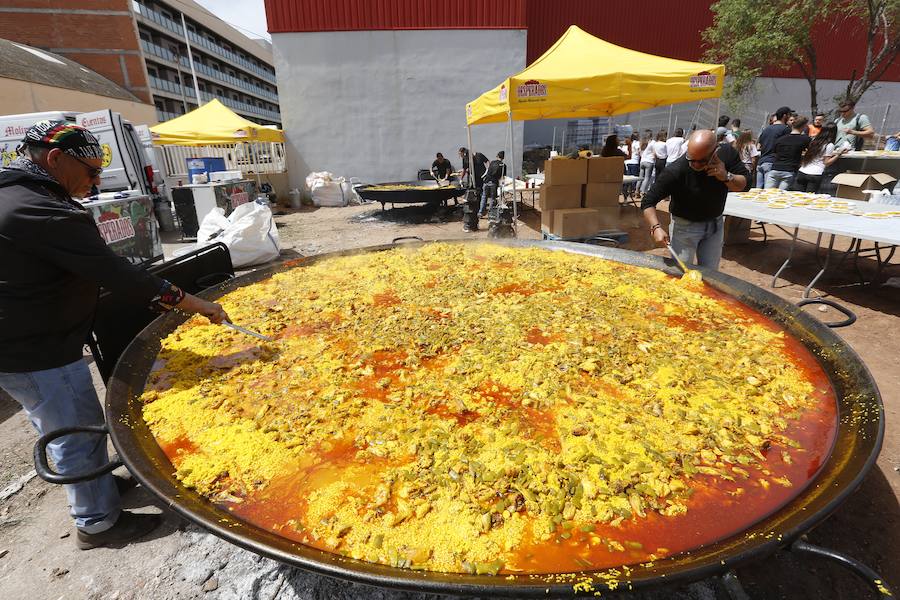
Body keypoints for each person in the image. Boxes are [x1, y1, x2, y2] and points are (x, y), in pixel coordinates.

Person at [0, 121, 229, 550]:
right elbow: (118, 274)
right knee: (75, 428)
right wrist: (195, 304)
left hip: (27, 341)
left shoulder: (17, 194)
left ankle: (97, 485)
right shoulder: (41, 211)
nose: (97, 181)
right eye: (90, 172)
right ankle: (97, 524)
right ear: (55, 159)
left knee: (62, 419)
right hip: (35, 348)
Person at [641, 129, 749, 269]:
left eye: (702, 161)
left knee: (711, 273)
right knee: (682, 272)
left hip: (715, 225)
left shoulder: (727, 154)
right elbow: (648, 201)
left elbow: (744, 185)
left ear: (715, 151)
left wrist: (726, 176)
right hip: (685, 228)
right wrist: (655, 227)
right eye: (692, 160)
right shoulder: (676, 170)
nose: (696, 165)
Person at [792, 123, 845, 193]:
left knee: (797, 196)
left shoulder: (814, 141)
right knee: (810, 198)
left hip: (802, 171)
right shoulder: (829, 145)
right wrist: (838, 154)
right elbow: (826, 162)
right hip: (816, 173)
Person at [765, 115, 810, 190]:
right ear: (804, 126)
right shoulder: (805, 139)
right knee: (782, 197)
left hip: (775, 169)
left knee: (766, 195)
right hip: (789, 170)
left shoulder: (780, 139)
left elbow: (775, 152)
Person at [756, 106, 793, 188]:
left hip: (761, 162)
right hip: (771, 163)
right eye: (789, 115)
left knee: (757, 191)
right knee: (769, 194)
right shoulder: (785, 130)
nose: (790, 117)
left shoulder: (766, 129)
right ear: (784, 116)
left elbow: (759, 146)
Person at [479, 150, 506, 217]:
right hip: (494, 183)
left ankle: (481, 212)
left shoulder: (492, 162)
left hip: (486, 181)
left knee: (484, 197)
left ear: (497, 156)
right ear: (503, 158)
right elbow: (502, 177)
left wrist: (483, 176)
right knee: (492, 198)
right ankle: (490, 213)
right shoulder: (503, 165)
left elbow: (488, 170)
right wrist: (502, 184)